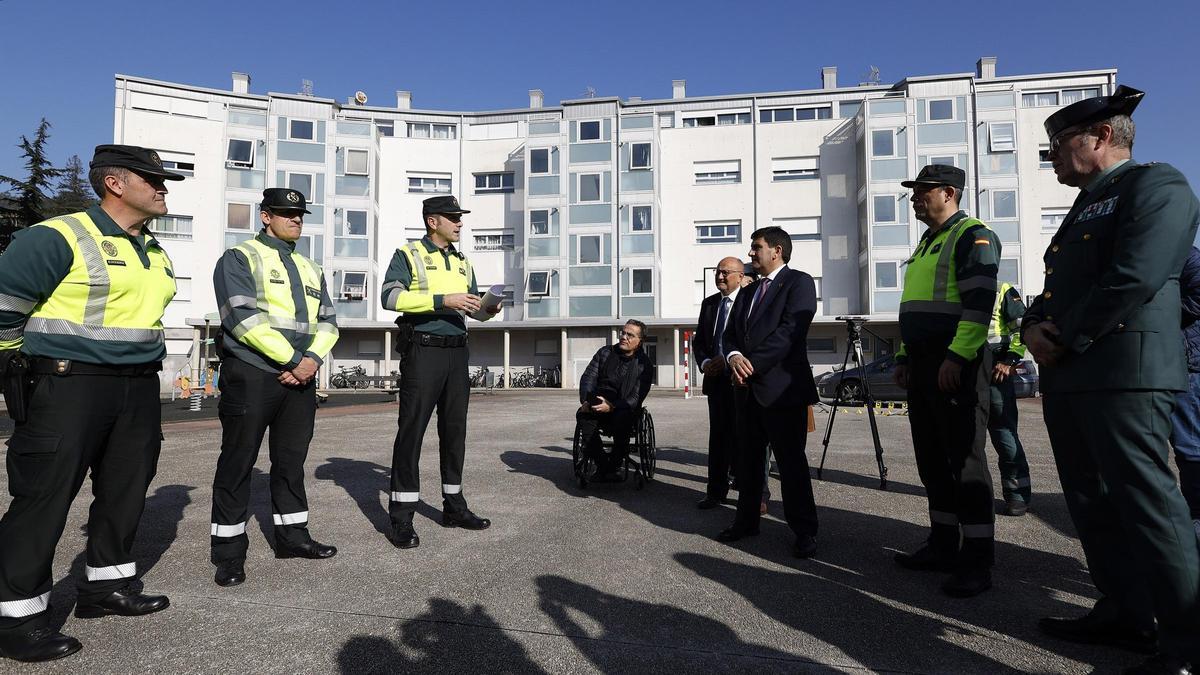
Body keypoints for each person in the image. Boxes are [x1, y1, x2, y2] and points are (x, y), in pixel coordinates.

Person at [1022, 86, 1200, 673]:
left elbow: (1135, 276)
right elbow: (1055, 289)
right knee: (1092, 502)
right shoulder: (1082, 206)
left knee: (1148, 504)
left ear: (1098, 137)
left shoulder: (1156, 185)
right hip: (1072, 375)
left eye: (1057, 144)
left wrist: (1065, 334)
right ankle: (1125, 612)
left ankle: (1187, 645)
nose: (1050, 156)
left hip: (1125, 371)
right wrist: (1030, 327)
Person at [0, 145, 183, 662]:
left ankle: (105, 589)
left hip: (137, 387)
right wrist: (15, 365)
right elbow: (4, 306)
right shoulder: (57, 237)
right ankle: (15, 619)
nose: (163, 188)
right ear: (116, 184)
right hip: (68, 387)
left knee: (126, 490)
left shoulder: (152, 248)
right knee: (43, 497)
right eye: (154, 179)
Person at [209, 188, 340, 588]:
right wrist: (292, 361)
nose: (295, 219)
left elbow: (329, 323)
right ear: (265, 216)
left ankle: (293, 538)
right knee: (238, 462)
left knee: (290, 462)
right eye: (285, 213)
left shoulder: (310, 266)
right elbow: (242, 318)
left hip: (300, 377)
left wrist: (311, 362)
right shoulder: (240, 257)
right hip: (253, 373)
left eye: (299, 214)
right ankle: (229, 555)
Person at [891, 164, 1000, 598]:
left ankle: (977, 562)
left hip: (955, 362)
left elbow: (979, 303)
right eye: (914, 192)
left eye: (923, 191)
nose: (916, 199)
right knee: (932, 460)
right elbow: (912, 307)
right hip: (923, 363)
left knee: (964, 462)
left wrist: (958, 355)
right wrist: (903, 356)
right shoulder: (926, 243)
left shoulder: (972, 235)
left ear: (949, 193)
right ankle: (942, 544)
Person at [380, 195, 500, 549]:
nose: (460, 223)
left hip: (457, 353)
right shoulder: (409, 254)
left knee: (454, 433)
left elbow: (471, 307)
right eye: (453, 218)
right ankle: (401, 519)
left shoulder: (463, 261)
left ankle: (454, 507)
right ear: (433, 222)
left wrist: (487, 309)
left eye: (459, 218)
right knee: (412, 432)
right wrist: (440, 300)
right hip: (423, 351)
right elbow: (389, 297)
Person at [716, 226, 820, 559]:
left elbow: (790, 332)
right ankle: (746, 522)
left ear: (776, 250)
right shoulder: (746, 292)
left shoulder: (799, 283)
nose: (750, 254)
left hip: (782, 391)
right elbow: (730, 334)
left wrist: (751, 364)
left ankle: (804, 531)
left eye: (755, 248)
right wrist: (732, 356)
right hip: (745, 392)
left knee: (791, 464)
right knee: (747, 462)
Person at [693, 258, 744, 508]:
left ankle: (750, 494)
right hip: (716, 382)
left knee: (745, 439)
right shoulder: (710, 304)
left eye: (725, 272)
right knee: (719, 438)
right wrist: (705, 364)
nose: (720, 276)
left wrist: (730, 360)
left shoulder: (749, 301)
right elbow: (699, 341)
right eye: (717, 272)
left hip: (743, 381)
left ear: (740, 275)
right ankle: (715, 492)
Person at [576, 320, 655, 479]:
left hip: (623, 407)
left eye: (630, 335)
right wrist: (586, 400)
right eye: (623, 333)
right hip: (599, 400)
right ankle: (604, 464)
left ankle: (614, 464)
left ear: (640, 341)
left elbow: (635, 397)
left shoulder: (644, 364)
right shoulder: (604, 353)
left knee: (622, 417)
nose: (624, 337)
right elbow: (588, 378)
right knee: (583, 415)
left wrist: (612, 407)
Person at [988, 282, 1032, 517]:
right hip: (965, 371)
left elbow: (1021, 327)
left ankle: (1017, 496)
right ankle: (973, 494)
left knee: (1004, 435)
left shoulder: (1002, 289)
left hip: (996, 371)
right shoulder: (954, 286)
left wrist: (1010, 359)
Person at [1173, 246, 1200, 537]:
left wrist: (1153, 313)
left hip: (1188, 368)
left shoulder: (1188, 257)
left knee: (1190, 446)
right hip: (1161, 366)